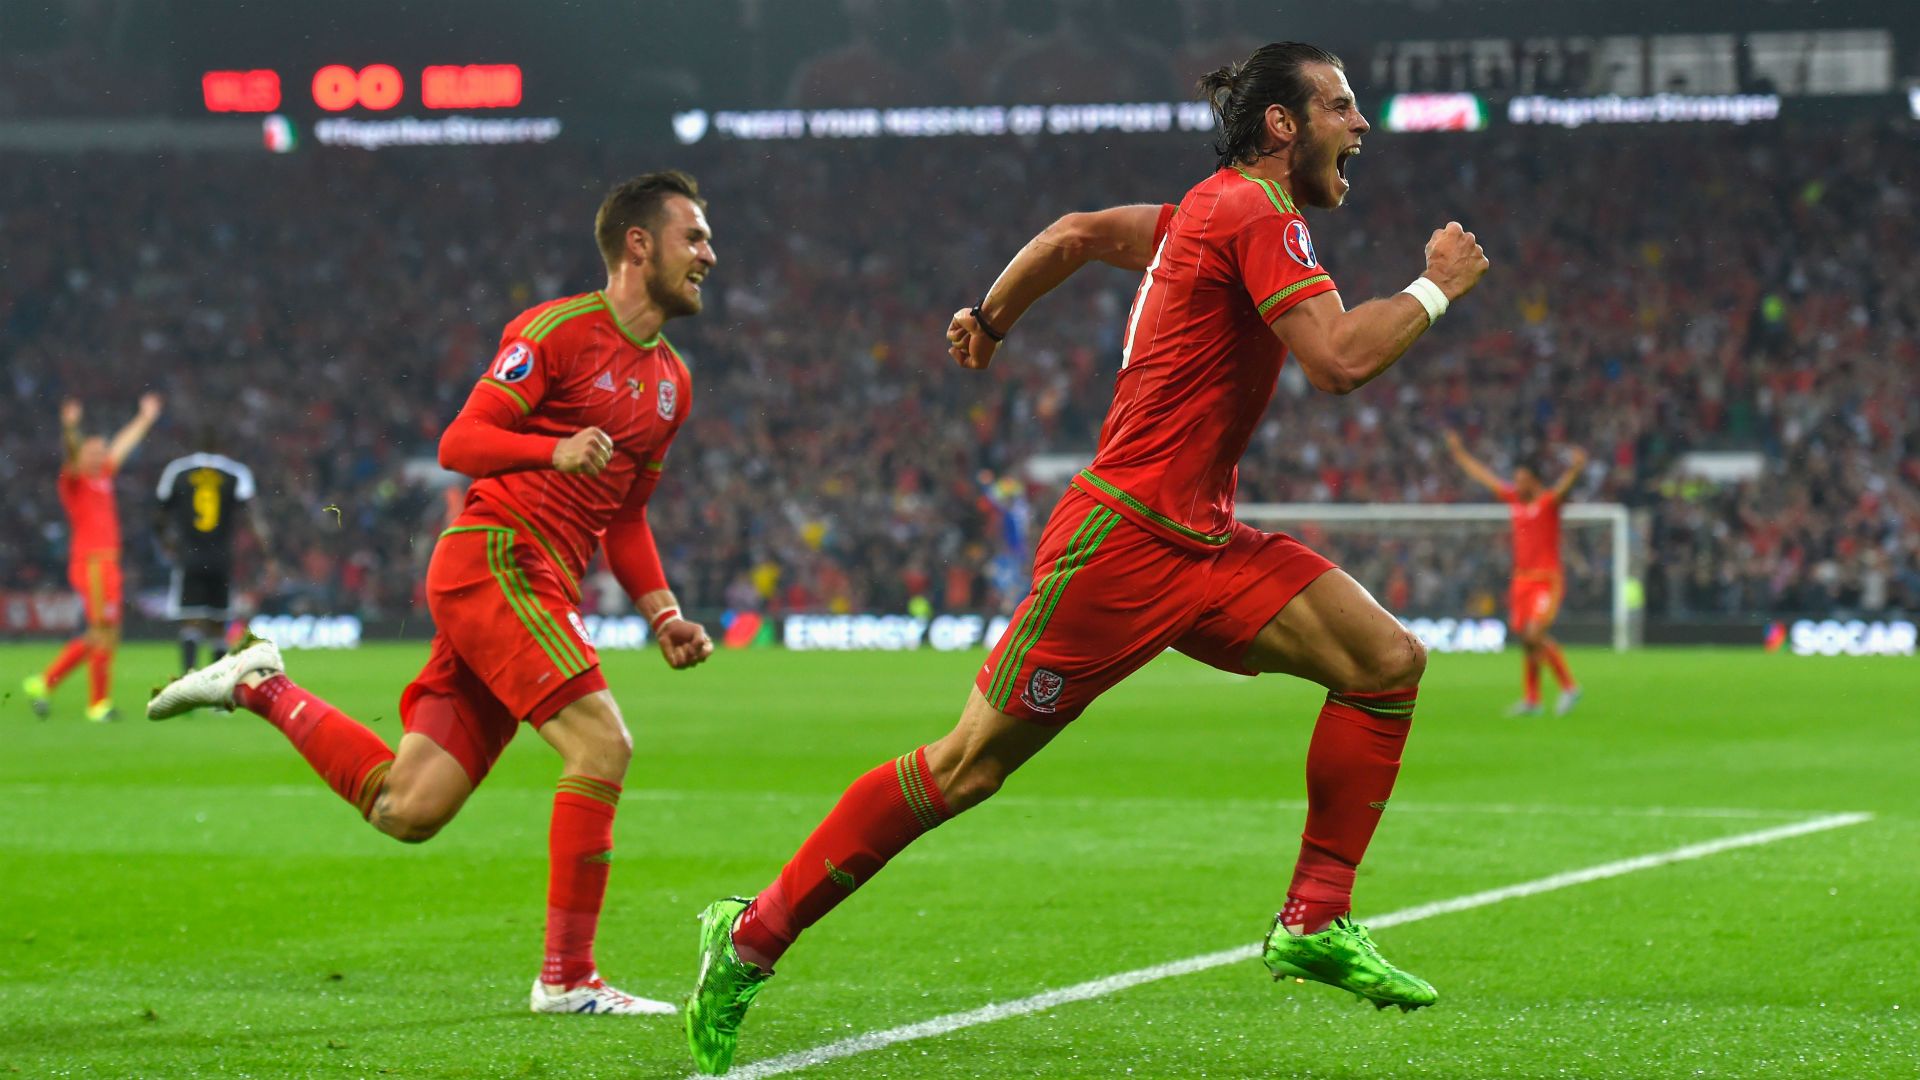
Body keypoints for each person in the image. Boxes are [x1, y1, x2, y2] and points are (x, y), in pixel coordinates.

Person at [687, 42, 1489, 1074]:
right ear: (1282, 126)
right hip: (1123, 545)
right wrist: (1434, 287)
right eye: (1340, 106)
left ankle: (1315, 918)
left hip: (1203, 542)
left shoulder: (1200, 214)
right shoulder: (1255, 211)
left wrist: (991, 317)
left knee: (1385, 663)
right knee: (966, 767)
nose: (1361, 123)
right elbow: (1336, 361)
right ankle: (748, 936)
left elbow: (1072, 234)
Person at [148, 171, 720, 1016]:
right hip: (498, 558)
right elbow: (461, 441)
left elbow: (627, 515)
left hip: (537, 580)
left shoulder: (672, 382)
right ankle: (567, 979)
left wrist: (663, 614)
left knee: (406, 808)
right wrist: (553, 449)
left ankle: (258, 684)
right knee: (602, 745)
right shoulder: (556, 332)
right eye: (694, 237)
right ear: (639, 244)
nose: (709, 255)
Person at [24, 393, 163, 722]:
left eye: (102, 451)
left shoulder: (103, 475)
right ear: (81, 455)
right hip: (92, 563)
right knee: (100, 632)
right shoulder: (74, 480)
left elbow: (122, 445)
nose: (101, 456)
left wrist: (145, 418)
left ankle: (46, 683)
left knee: (108, 634)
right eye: (94, 451)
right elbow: (72, 450)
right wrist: (70, 427)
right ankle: (96, 704)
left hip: (108, 563)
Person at [1444, 432, 1588, 716]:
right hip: (1521, 580)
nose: (1517, 483)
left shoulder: (1548, 502)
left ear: (1534, 481)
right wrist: (1459, 453)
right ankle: (1533, 699)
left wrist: (1576, 468)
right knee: (1526, 640)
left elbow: (1564, 487)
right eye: (1516, 479)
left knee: (1534, 635)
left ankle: (1569, 686)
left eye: (1522, 479)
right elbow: (1484, 477)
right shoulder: (1514, 499)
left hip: (1546, 580)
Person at [154, 432, 270, 674]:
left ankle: (189, 681)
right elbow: (251, 517)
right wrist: (268, 554)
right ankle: (217, 686)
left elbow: (160, 516)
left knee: (190, 622)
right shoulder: (235, 472)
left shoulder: (178, 471)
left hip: (189, 557)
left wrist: (167, 543)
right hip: (221, 559)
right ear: (222, 447)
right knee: (219, 624)